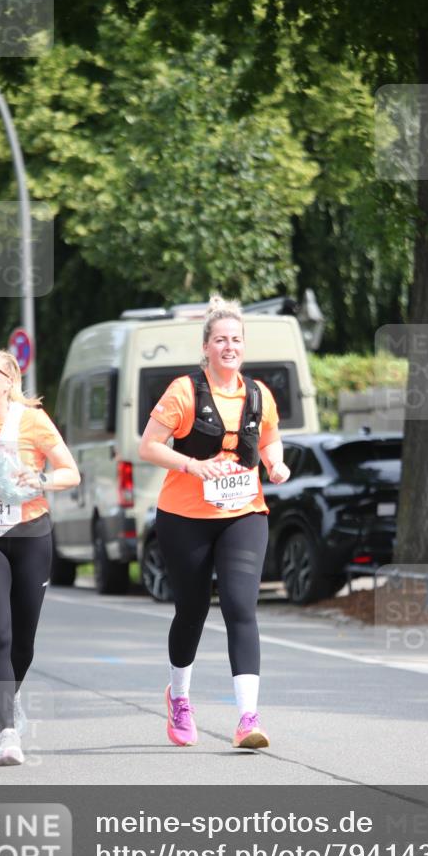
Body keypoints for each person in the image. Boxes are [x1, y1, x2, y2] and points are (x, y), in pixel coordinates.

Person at [139, 295, 290, 750]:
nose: (229, 346)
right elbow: (149, 446)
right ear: (205, 346)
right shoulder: (184, 391)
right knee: (192, 610)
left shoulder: (259, 394)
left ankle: (248, 718)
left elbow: (269, 441)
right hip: (185, 517)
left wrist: (275, 465)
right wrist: (191, 465)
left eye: (236, 340)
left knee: (241, 607)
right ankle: (180, 697)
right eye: (221, 340)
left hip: (243, 513)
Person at [0, 347, 80, 767]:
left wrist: (40, 477)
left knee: (23, 641)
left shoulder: (32, 421)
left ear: (9, 379)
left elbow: (70, 472)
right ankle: (8, 733)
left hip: (30, 534)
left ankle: (13, 694)